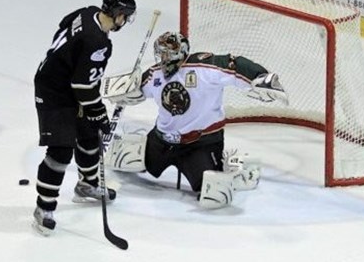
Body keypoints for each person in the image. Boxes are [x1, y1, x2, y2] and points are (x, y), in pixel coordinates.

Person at [102, 31, 288, 209]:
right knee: (126, 161)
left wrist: (260, 77)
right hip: (162, 142)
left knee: (214, 194)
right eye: (161, 55)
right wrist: (125, 91)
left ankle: (237, 167)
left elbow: (235, 64)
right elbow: (138, 90)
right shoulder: (155, 74)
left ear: (180, 54)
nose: (164, 61)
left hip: (200, 144)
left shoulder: (205, 68)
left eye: (168, 55)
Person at [32, 0, 137, 235]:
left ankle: (86, 185)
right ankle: (43, 208)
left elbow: (63, 25)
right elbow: (83, 86)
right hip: (54, 91)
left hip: (67, 83)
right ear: (119, 15)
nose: (125, 22)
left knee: (89, 135)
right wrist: (100, 113)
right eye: (125, 16)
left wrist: (93, 117)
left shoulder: (88, 12)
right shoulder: (98, 43)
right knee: (60, 150)